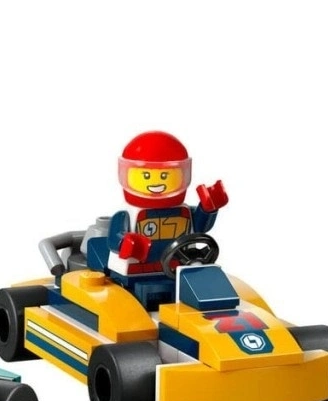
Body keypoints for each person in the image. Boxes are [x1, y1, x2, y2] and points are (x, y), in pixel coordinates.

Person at [93, 131, 229, 310]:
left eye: (165, 175)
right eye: (146, 176)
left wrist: (208, 208)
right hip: (135, 276)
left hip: (180, 270)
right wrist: (126, 242)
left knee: (207, 288)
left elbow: (200, 227)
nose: (156, 183)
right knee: (141, 299)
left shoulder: (184, 212)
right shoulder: (127, 214)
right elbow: (114, 240)